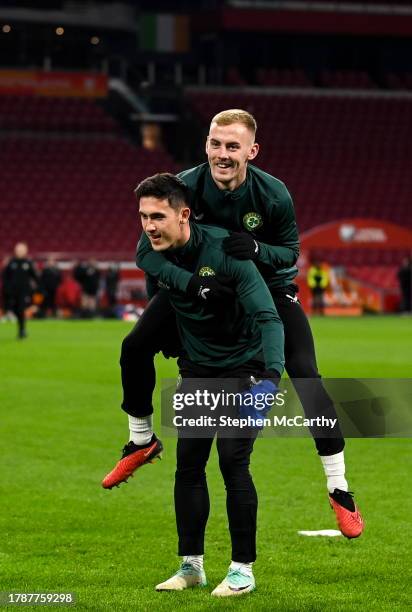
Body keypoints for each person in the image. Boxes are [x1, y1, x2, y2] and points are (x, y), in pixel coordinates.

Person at [104, 109, 363, 539]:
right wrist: (189, 286)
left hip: (267, 288)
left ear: (251, 151)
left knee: (306, 376)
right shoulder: (185, 186)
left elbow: (291, 253)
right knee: (135, 346)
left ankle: (339, 488)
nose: (222, 154)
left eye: (232, 146)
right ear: (206, 145)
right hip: (202, 287)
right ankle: (141, 440)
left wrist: (258, 248)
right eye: (215, 144)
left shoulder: (273, 194)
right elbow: (147, 252)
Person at [106, 172, 285, 596]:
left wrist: (271, 378)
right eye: (143, 216)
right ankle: (192, 566)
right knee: (188, 465)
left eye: (158, 216)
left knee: (231, 461)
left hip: (246, 370)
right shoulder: (151, 250)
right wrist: (195, 286)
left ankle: (242, 570)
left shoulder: (227, 252)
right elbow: (147, 263)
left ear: (183, 214)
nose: (149, 226)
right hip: (198, 370)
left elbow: (268, 318)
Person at [2, 242, 38, 338]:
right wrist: (7, 288)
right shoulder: (11, 262)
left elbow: (35, 277)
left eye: (22, 250)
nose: (20, 251)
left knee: (21, 310)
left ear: (25, 251)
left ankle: (22, 330)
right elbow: (5, 277)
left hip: (24, 292)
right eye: (18, 249)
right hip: (12, 292)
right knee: (15, 310)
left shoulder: (28, 263)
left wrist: (34, 289)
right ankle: (11, 316)